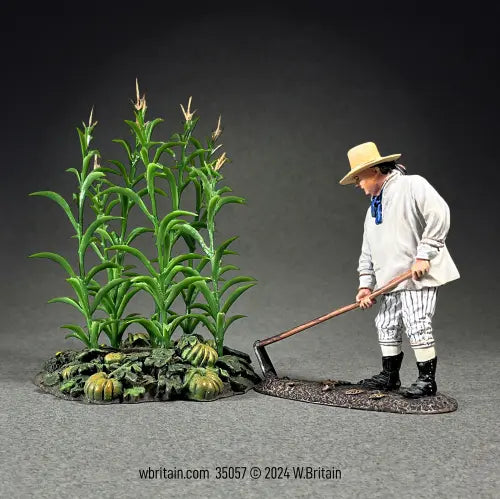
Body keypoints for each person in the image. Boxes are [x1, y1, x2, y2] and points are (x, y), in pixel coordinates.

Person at [339, 142, 460, 398]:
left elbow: (439, 213)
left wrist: (424, 253)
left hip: (417, 277)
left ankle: (426, 381)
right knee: (386, 324)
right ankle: (389, 376)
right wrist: (365, 285)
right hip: (389, 283)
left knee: (417, 323)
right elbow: (367, 251)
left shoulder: (412, 185)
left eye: (359, 179)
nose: (359, 187)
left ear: (373, 170)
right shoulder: (372, 211)